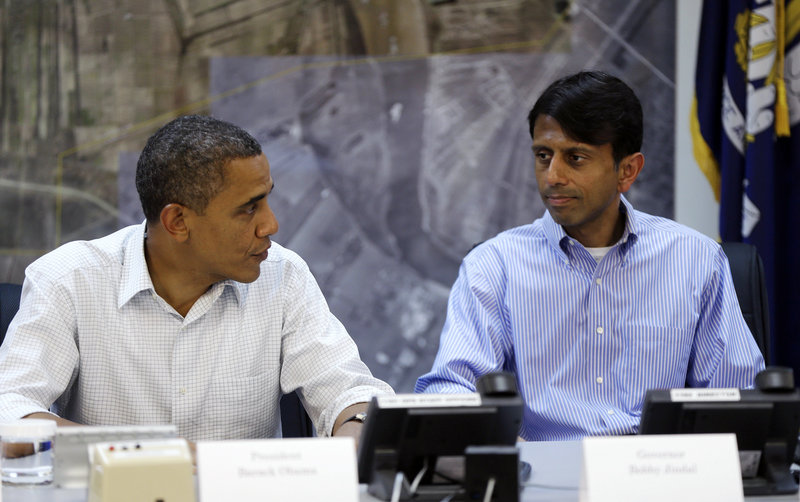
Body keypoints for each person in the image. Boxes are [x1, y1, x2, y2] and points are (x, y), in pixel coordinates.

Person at [0, 114, 393, 444]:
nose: (271, 225)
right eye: (248, 209)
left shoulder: (283, 276)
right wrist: (144, 455)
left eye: (268, 199)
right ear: (178, 221)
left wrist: (354, 432)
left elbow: (350, 392)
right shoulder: (70, 280)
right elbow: (9, 414)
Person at [415, 70, 765, 441]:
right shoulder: (493, 266)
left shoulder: (695, 260)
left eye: (575, 158)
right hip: (541, 484)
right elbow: (450, 391)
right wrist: (498, 440)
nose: (553, 176)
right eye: (543, 155)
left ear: (627, 170)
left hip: (657, 476)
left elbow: (738, 400)